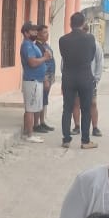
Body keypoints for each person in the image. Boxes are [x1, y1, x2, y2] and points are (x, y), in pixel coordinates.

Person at [58, 12, 97, 150]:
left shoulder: (63, 40)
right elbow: (91, 57)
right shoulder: (90, 38)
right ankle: (85, 141)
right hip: (85, 76)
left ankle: (66, 139)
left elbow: (64, 56)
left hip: (68, 77)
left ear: (70, 23)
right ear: (83, 23)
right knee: (86, 109)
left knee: (67, 109)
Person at [71, 23, 103, 138]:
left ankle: (95, 127)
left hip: (90, 79)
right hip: (75, 78)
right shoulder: (72, 44)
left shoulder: (95, 44)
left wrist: (97, 77)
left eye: (84, 31)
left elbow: (99, 62)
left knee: (92, 103)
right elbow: (65, 60)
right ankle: (77, 126)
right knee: (76, 103)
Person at [19, 22, 47, 143]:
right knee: (30, 109)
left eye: (36, 30)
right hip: (32, 81)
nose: (36, 32)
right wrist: (45, 58)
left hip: (35, 80)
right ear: (26, 33)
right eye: (33, 31)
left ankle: (27, 132)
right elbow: (32, 62)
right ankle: (30, 135)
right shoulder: (27, 46)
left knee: (31, 108)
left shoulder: (31, 44)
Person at [34, 24, 55, 134]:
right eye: (44, 32)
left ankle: (42, 122)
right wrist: (45, 79)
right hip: (44, 77)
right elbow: (42, 64)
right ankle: (36, 124)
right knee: (40, 100)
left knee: (44, 100)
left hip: (49, 76)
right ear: (38, 34)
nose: (47, 34)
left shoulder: (45, 45)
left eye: (47, 32)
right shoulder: (38, 47)